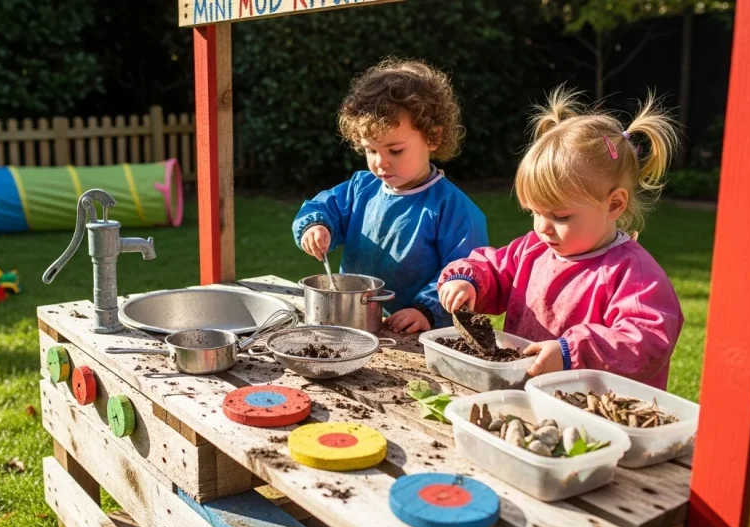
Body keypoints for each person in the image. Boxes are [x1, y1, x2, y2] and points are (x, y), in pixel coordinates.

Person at [438, 87, 684, 389]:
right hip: (527, 392)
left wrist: (571, 352)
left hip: (593, 411)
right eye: (534, 212)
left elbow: (646, 341)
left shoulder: (632, 274)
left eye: (561, 216)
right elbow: (495, 268)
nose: (543, 227)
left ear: (614, 205)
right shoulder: (533, 249)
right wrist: (467, 280)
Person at [293, 57, 488, 333]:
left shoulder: (454, 210)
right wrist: (315, 225)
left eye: (395, 151)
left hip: (415, 335)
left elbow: (466, 272)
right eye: (371, 150)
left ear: (432, 137)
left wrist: (426, 311)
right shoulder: (361, 187)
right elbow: (325, 207)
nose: (380, 163)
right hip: (350, 323)